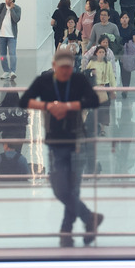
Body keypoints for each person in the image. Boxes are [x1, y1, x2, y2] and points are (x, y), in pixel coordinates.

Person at [21, 47, 101, 247]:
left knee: (72, 189)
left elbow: (94, 100)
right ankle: (89, 217)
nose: (65, 71)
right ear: (54, 66)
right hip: (55, 143)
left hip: (76, 142)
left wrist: (68, 106)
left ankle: (66, 232)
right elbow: (24, 101)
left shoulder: (78, 80)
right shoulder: (46, 81)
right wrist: (48, 106)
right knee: (60, 189)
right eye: (62, 67)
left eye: (69, 67)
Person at [117, 12, 135, 95]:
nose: (124, 19)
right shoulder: (118, 28)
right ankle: (124, 86)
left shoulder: (131, 28)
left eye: (126, 17)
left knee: (127, 69)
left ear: (129, 19)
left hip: (129, 52)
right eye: (123, 18)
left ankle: (126, 88)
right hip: (121, 51)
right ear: (120, 19)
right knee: (122, 69)